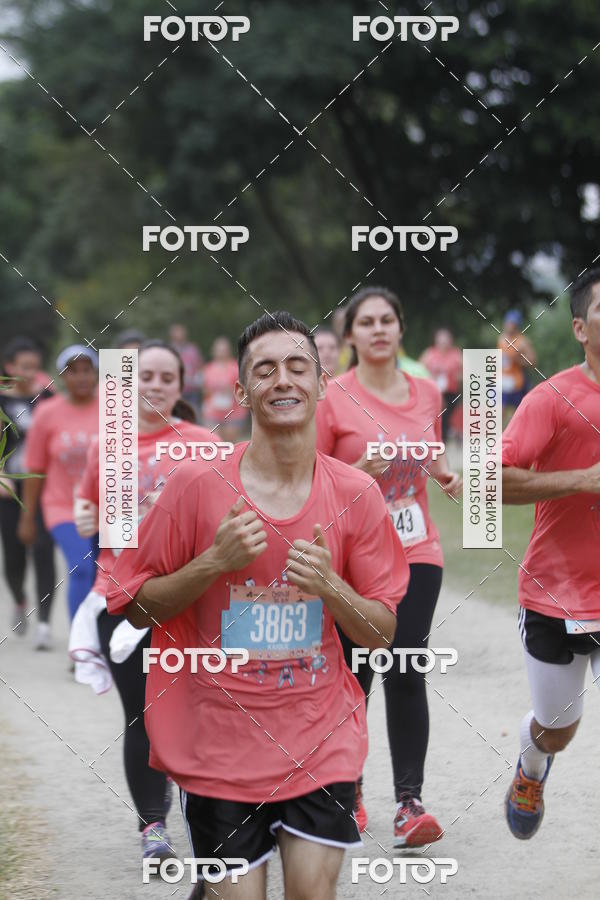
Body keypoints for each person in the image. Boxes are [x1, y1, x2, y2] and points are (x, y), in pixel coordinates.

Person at [107, 311, 409, 899]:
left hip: (321, 735)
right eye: (265, 370)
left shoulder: (356, 494)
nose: (284, 380)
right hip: (218, 740)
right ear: (241, 391)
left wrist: (332, 588)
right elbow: (135, 608)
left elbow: (382, 634)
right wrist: (211, 564)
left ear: (323, 383)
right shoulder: (195, 487)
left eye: (299, 367)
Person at [316, 286, 462, 847]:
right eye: (366, 322)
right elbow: (318, 481)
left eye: (388, 320)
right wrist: (358, 469)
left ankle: (409, 803)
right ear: (350, 335)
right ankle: (346, 791)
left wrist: (445, 475)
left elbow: (433, 451)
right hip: (355, 554)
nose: (378, 329)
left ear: (402, 330)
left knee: (406, 666)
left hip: (417, 548)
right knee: (355, 673)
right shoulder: (332, 396)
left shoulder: (427, 390)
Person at [70, 340, 216, 866]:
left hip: (194, 597)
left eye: (165, 378)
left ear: (181, 387)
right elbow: (93, 513)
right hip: (124, 597)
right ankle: (152, 825)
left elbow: (226, 513)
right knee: (144, 717)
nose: (154, 385)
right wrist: (89, 519)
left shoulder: (204, 444)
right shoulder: (106, 446)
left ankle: (210, 817)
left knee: (201, 712)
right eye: (144, 376)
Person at [502, 268, 600, 840]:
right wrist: (581, 481)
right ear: (580, 328)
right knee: (558, 728)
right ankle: (531, 766)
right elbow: (492, 485)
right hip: (554, 595)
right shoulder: (552, 398)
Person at [19, 345, 99, 624]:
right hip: (63, 507)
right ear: (63, 376)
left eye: (86, 370)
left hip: (108, 508)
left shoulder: (113, 408)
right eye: (72, 371)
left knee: (107, 575)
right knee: (81, 569)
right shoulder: (47, 412)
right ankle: (81, 648)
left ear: (96, 373)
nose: (80, 377)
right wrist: (28, 517)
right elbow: (35, 468)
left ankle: (103, 643)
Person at [0, 337, 56, 646]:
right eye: (24, 367)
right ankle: (20, 599)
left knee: (44, 551)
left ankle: (45, 623)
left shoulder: (48, 399)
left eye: (35, 367)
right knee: (14, 557)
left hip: (46, 487)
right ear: (10, 368)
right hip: (10, 489)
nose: (30, 373)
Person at [201, 335, 248, 441]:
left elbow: (244, 389)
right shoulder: (208, 369)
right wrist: (211, 391)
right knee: (214, 442)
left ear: (229, 351)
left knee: (230, 445)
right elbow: (204, 390)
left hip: (233, 412)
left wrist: (230, 390)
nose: (221, 352)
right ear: (214, 350)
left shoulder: (236, 367)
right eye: (219, 349)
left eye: (224, 349)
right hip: (212, 412)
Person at [420, 328, 462, 442]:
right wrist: (430, 376)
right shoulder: (429, 353)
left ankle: (445, 436)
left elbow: (464, 373)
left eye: (446, 341)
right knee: (435, 414)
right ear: (436, 341)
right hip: (433, 391)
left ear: (450, 341)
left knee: (447, 415)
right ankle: (435, 437)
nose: (443, 344)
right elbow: (419, 369)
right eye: (441, 341)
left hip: (450, 392)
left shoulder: (456, 354)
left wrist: (455, 375)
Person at [497, 310, 537, 424]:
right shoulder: (501, 339)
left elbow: (533, 362)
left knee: (520, 414)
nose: (510, 326)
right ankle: (496, 439)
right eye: (508, 323)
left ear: (517, 326)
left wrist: (518, 360)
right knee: (498, 412)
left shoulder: (522, 342)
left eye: (513, 324)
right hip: (502, 382)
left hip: (517, 383)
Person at [168, 323, 204, 413]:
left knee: (192, 415)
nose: (179, 334)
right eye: (177, 332)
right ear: (172, 335)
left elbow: (199, 366)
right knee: (176, 416)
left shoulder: (193, 349)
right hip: (175, 391)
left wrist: (199, 380)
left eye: (181, 332)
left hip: (192, 391)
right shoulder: (169, 350)